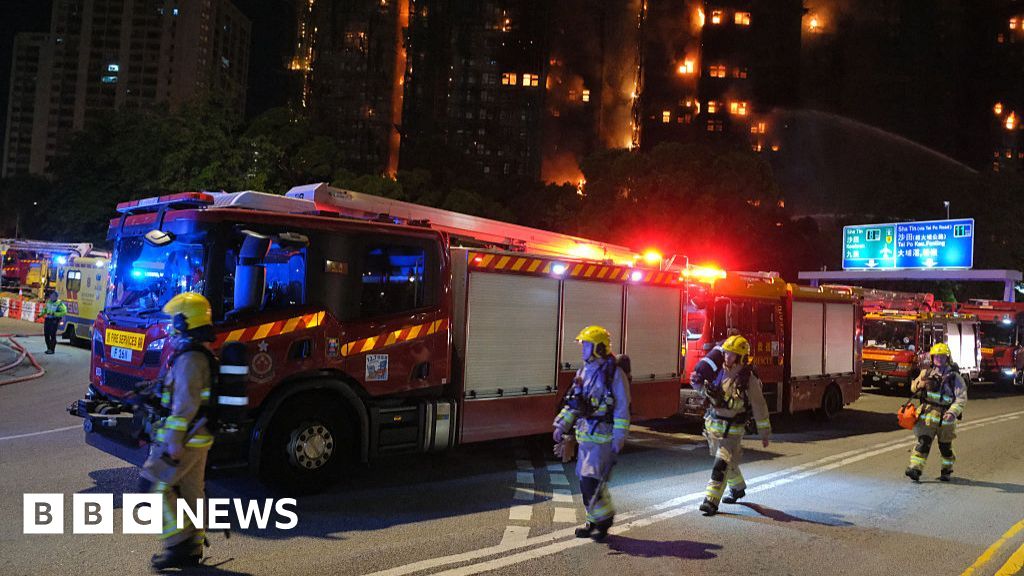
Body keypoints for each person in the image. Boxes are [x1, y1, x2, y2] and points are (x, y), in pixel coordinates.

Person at [142, 292, 216, 570]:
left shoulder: (190, 359)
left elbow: (186, 404)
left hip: (185, 439)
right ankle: (193, 545)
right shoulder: (200, 354)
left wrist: (173, 442)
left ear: (185, 323)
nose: (171, 327)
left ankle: (178, 545)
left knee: (153, 485)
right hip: (199, 437)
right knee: (191, 492)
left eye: (174, 321)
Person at [553, 325, 630, 540]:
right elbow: (574, 403)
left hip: (603, 437)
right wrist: (560, 425)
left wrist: (619, 437)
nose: (583, 349)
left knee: (590, 481)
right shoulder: (583, 372)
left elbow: (622, 407)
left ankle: (603, 520)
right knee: (586, 480)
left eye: (587, 345)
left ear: (599, 348)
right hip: (585, 436)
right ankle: (594, 519)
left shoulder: (614, 374)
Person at [691, 334, 771, 516]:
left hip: (732, 431)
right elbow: (708, 394)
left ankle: (711, 501)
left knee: (721, 464)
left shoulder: (747, 379)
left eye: (732, 354)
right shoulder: (719, 372)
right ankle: (737, 488)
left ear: (741, 357)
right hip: (714, 428)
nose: (727, 357)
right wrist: (698, 386)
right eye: (726, 353)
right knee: (729, 463)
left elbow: (759, 405)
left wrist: (764, 431)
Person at [905, 342, 967, 482]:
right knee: (923, 443)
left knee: (945, 447)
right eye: (936, 356)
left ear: (947, 358)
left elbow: (961, 398)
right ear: (932, 358)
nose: (939, 359)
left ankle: (946, 470)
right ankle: (915, 469)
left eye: (942, 356)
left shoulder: (954, 377)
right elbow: (913, 388)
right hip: (927, 414)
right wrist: (920, 384)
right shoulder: (926, 373)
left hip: (946, 418)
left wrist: (952, 413)